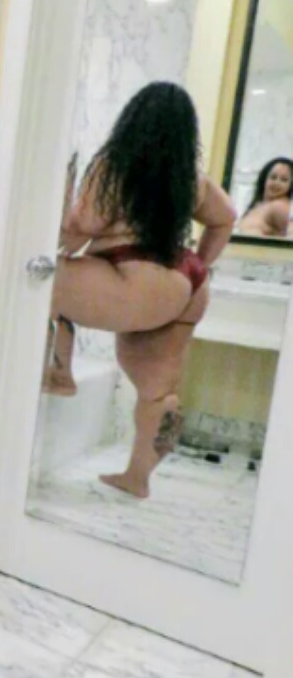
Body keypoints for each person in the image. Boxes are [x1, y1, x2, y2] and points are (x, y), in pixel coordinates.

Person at [43, 82, 236, 499]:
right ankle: (137, 478)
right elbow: (226, 218)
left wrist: (65, 196)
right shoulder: (191, 179)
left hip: (133, 274)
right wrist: (202, 265)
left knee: (43, 276)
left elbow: (81, 226)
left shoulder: (114, 165)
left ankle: (60, 372)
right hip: (187, 282)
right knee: (158, 392)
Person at [237, 156, 293, 237]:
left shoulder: (279, 206)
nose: (276, 183)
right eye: (273, 177)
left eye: (284, 180)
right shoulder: (259, 204)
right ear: (264, 178)